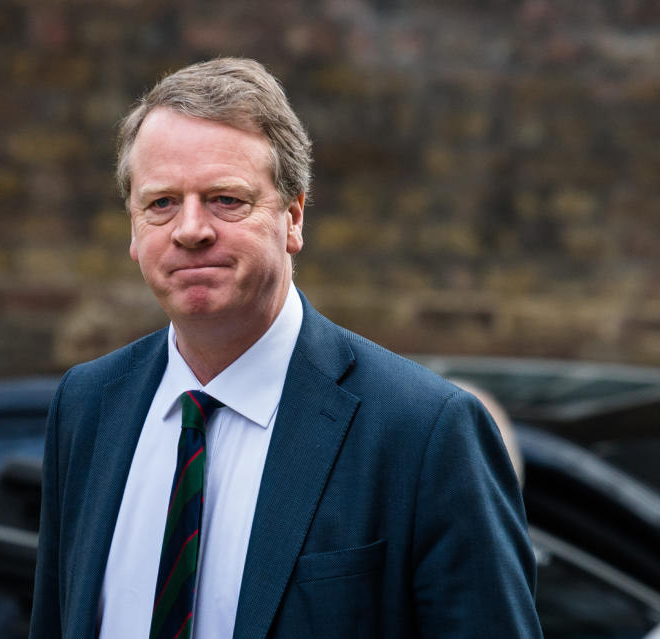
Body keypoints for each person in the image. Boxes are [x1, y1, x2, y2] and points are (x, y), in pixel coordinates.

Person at [30, 58, 542, 638]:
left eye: (226, 199)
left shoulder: (424, 431)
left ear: (293, 217)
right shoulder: (88, 404)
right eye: (161, 203)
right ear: (133, 228)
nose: (190, 229)